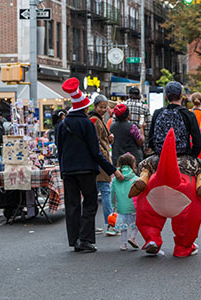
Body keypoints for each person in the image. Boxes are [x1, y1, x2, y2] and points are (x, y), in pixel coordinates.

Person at [57, 77, 123, 253]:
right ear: (84, 107)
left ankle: (75, 240)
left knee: (72, 206)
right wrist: (113, 170)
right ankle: (85, 240)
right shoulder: (87, 124)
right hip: (86, 170)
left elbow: (60, 150)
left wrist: (62, 169)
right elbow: (95, 152)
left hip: (68, 171)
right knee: (90, 204)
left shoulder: (62, 125)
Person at [129, 81, 201, 205]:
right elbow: (197, 141)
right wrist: (192, 155)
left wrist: (155, 150)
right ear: (181, 96)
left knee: (144, 166)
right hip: (183, 160)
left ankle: (144, 178)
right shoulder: (188, 114)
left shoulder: (158, 113)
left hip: (159, 159)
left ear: (166, 97)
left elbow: (151, 139)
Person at [89, 94, 117, 236]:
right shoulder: (95, 120)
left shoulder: (98, 119)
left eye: (105, 108)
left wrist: (109, 138)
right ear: (95, 106)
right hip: (101, 160)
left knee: (94, 193)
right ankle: (110, 224)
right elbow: (95, 142)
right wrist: (104, 155)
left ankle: (91, 225)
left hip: (98, 160)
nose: (103, 110)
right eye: (101, 107)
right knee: (105, 191)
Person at [111, 153, 140, 251]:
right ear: (132, 164)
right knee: (137, 223)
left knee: (123, 226)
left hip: (121, 207)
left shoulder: (115, 179)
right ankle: (132, 237)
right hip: (133, 206)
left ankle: (123, 244)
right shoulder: (135, 178)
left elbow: (112, 193)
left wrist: (113, 205)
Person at [124, 86, 152, 154]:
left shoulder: (122, 106)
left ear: (129, 95)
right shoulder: (144, 108)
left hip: (124, 143)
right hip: (139, 143)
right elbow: (148, 127)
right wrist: (146, 145)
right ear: (139, 96)